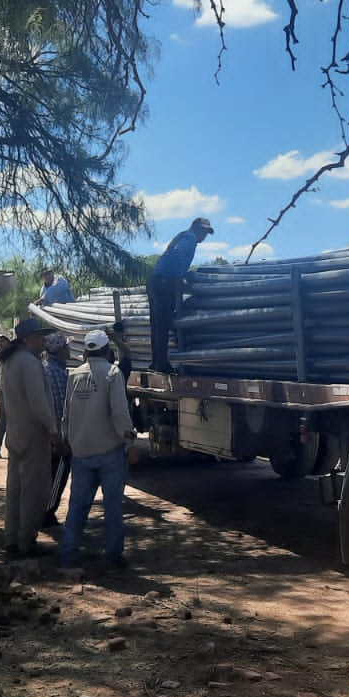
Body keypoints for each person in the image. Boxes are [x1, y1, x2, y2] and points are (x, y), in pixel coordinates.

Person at [59, 329, 136, 570]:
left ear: (86, 351)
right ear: (106, 351)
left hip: (81, 451)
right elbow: (119, 413)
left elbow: (66, 414)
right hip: (109, 451)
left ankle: (68, 554)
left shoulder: (74, 374)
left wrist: (67, 441)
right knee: (112, 506)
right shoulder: (112, 374)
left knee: (77, 506)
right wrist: (130, 441)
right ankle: (112, 556)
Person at [0, 318, 63, 558]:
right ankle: (27, 541)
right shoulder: (30, 363)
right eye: (40, 336)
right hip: (34, 433)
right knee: (33, 491)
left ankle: (11, 539)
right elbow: (39, 403)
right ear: (28, 339)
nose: (44, 340)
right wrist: (53, 431)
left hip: (15, 432)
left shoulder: (10, 361)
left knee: (14, 489)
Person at [148, 217, 214, 372]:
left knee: (157, 325)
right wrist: (180, 277)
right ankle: (161, 365)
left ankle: (157, 362)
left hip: (156, 280)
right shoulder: (190, 238)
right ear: (196, 228)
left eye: (206, 233)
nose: (204, 236)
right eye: (203, 231)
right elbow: (178, 255)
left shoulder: (183, 236)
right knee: (163, 324)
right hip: (164, 282)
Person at [41, 333, 72, 527]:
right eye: (67, 347)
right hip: (57, 433)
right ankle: (48, 512)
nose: (69, 349)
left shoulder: (46, 368)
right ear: (59, 350)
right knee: (59, 472)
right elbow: (61, 409)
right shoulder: (57, 373)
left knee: (48, 473)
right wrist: (60, 439)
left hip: (45, 432)